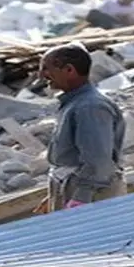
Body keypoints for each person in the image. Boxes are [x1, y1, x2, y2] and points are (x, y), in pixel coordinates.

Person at [39, 43, 127, 212]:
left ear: (69, 70)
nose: (42, 75)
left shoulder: (90, 107)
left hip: (93, 195)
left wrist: (81, 198)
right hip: (74, 189)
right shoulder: (75, 103)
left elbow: (98, 160)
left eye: (46, 68)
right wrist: (56, 195)